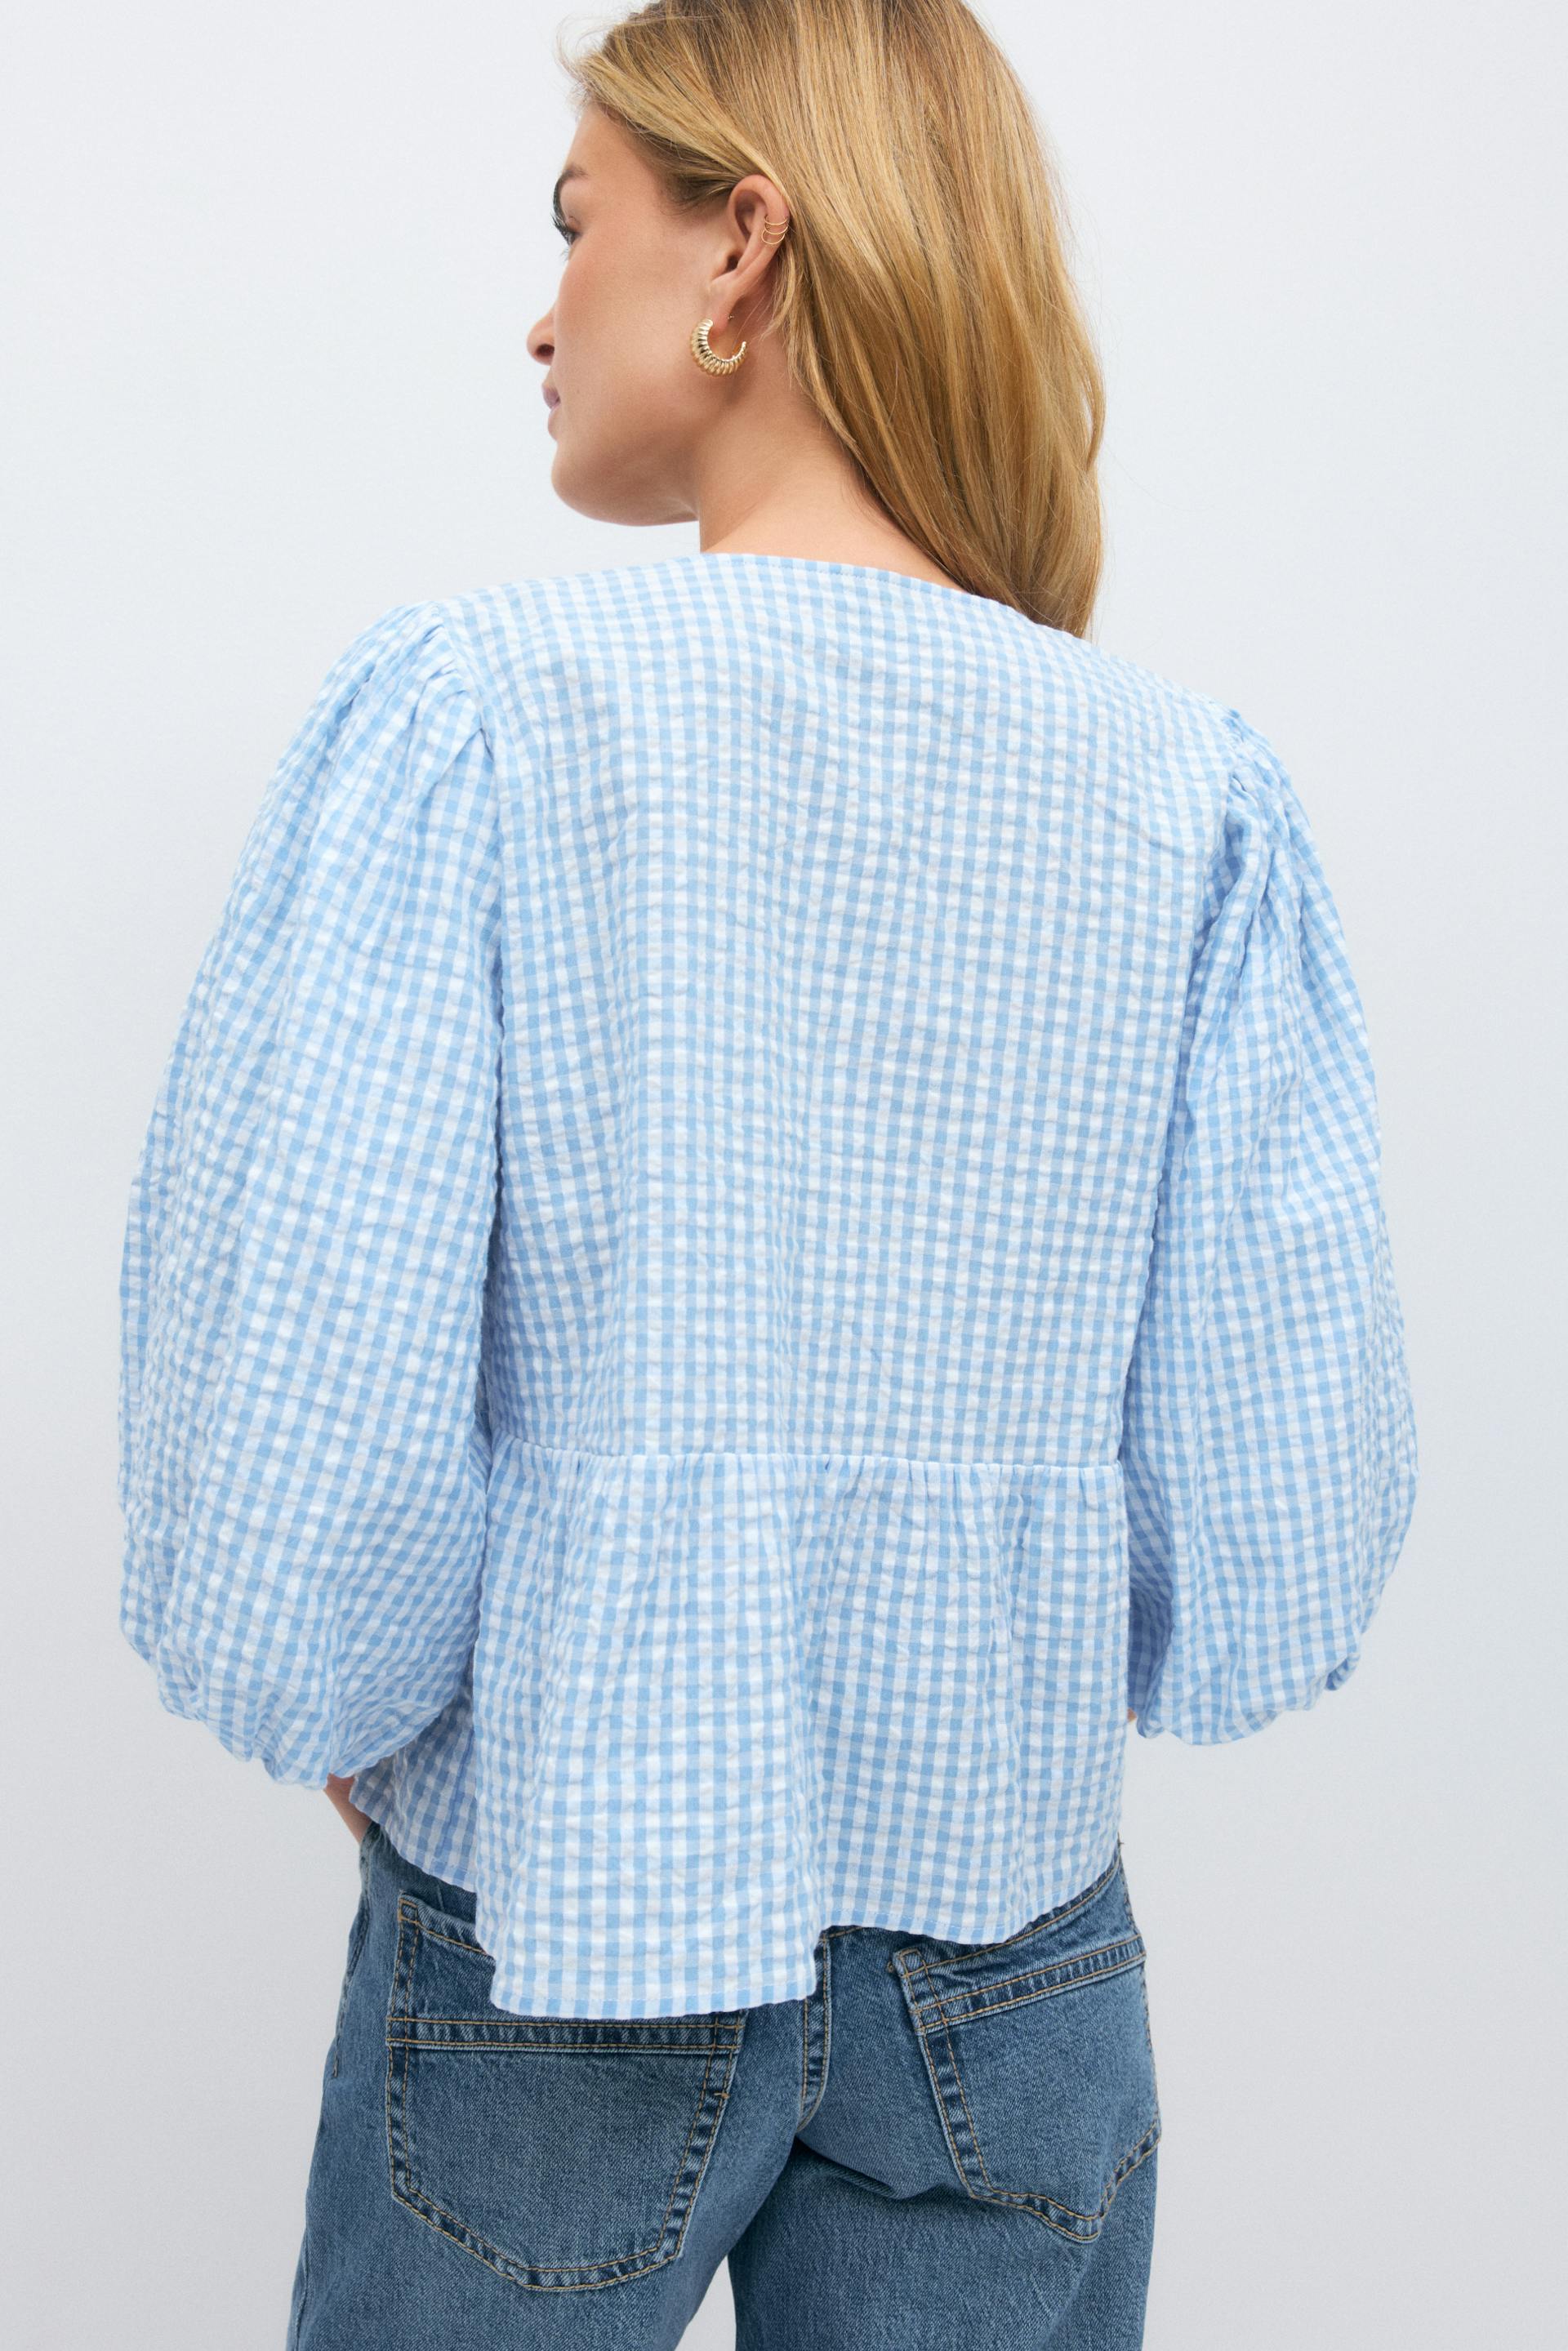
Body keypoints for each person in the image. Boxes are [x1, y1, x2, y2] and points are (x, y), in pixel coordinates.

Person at [115, 2, 1418, 2344]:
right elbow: (1271, 1497)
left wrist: (347, 1690)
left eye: (576, 221)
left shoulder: (484, 718)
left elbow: (318, 1340)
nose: (540, 312)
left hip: (568, 1919)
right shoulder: (1186, 795)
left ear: (744, 245)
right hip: (1014, 1958)